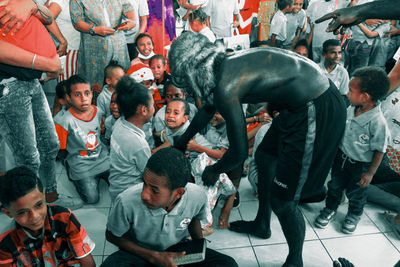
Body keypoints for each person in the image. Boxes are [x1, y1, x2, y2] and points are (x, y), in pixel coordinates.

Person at [169, 32, 346, 266]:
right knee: (264, 156)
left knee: (284, 201)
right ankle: (263, 223)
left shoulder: (226, 86)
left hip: (317, 105)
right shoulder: (221, 66)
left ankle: (296, 260)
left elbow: (239, 152)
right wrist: (185, 139)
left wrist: (214, 171)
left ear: (193, 72)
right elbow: (207, 110)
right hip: (297, 104)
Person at [0, 0, 82, 210]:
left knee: (49, 144)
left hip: (31, 80)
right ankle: (32, 213)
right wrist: (45, 63)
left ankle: (50, 198)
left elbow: (47, 16)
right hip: (8, 86)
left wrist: (32, 6)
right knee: (28, 157)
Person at [102, 147, 238, 267]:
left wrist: (198, 247)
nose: (144, 194)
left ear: (179, 193)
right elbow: (112, 235)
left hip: (178, 249)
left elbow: (195, 219)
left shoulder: (197, 195)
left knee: (228, 264)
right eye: (144, 183)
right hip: (141, 252)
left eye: (154, 190)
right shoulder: (126, 200)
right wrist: (153, 256)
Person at [314, 66, 390, 234]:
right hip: (341, 159)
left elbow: (380, 150)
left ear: (365, 97)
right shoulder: (350, 109)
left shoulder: (378, 122)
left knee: (356, 193)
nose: (347, 94)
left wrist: (370, 173)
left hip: (361, 166)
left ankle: (354, 214)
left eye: (350, 90)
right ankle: (330, 208)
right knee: (334, 186)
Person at [0, 166, 95, 266]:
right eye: (22, 212)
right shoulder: (6, 242)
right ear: (8, 213)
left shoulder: (64, 218)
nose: (35, 216)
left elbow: (86, 261)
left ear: (44, 195)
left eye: (39, 205)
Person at [55, 75, 110, 204]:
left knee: (119, 181)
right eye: (77, 95)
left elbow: (100, 131)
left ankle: (95, 175)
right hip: (81, 165)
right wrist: (71, 160)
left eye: (87, 93)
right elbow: (61, 149)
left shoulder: (98, 112)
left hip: (102, 158)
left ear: (92, 94)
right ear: (68, 97)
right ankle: (70, 168)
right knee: (92, 199)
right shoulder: (64, 121)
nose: (84, 98)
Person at [108, 76, 154, 202]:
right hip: (130, 195)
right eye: (152, 105)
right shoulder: (138, 144)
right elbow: (149, 174)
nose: (154, 109)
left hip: (116, 187)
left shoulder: (119, 123)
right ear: (143, 110)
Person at [69, 0, 135, 87]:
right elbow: (77, 22)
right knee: (94, 82)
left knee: (122, 80)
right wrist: (94, 30)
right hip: (94, 49)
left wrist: (132, 21)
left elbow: (128, 8)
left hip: (119, 46)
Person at [319, 39, 350, 103]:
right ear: (324, 54)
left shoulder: (342, 72)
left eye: (339, 53)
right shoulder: (317, 69)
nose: (337, 56)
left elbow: (343, 95)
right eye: (333, 52)